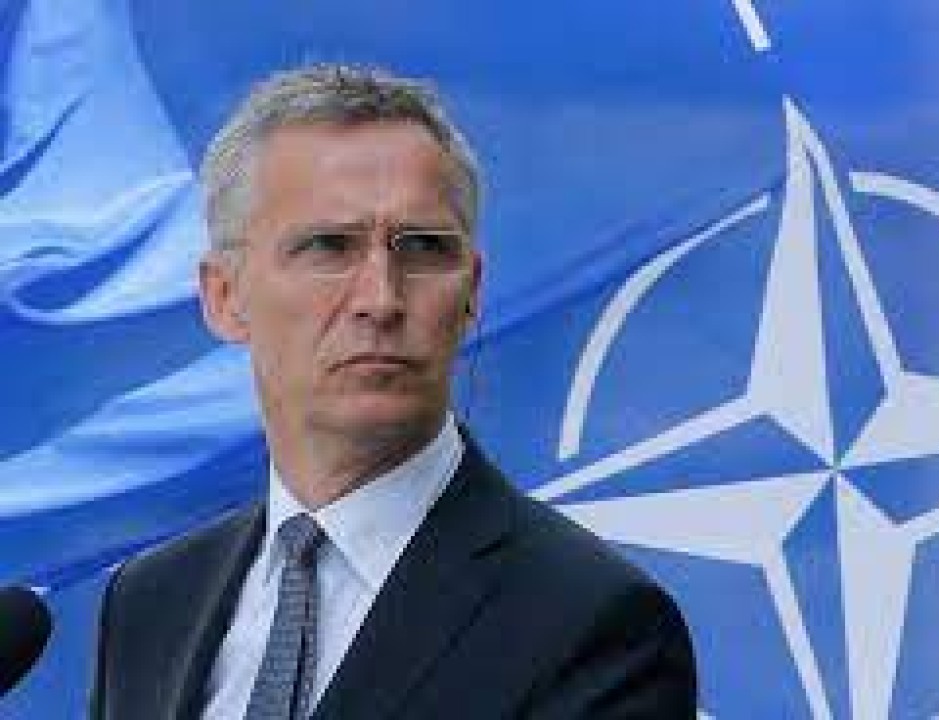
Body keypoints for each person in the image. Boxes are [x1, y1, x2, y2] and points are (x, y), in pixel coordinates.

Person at [90, 64, 697, 719]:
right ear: (224, 296)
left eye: (424, 248)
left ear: (472, 291)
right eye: (329, 246)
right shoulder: (151, 602)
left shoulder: (591, 621)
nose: (380, 299)